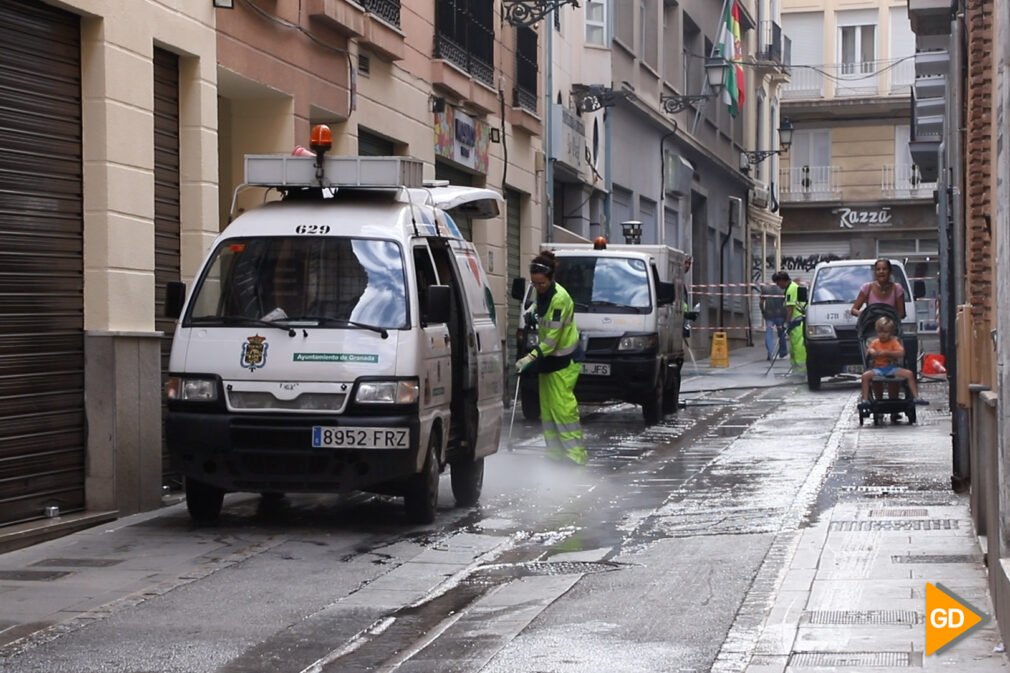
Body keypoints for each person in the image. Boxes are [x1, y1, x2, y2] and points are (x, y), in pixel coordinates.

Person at [515, 251, 586, 465]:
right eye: (535, 284)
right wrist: (533, 311)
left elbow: (551, 341)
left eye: (542, 284)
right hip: (550, 360)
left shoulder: (559, 299)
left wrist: (530, 357)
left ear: (551, 278)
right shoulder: (543, 294)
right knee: (547, 412)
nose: (538, 287)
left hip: (564, 361)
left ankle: (575, 457)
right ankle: (555, 454)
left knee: (563, 411)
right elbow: (541, 310)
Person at [858, 316, 929, 410]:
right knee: (865, 376)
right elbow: (869, 350)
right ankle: (865, 399)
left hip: (892, 368)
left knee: (909, 374)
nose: (882, 335)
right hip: (878, 368)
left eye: (885, 332)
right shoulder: (875, 342)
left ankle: (916, 396)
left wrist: (887, 353)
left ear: (891, 333)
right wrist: (872, 352)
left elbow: (901, 352)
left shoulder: (894, 342)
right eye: (880, 332)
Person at [774, 271, 807, 374]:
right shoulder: (791, 287)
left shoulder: (791, 289)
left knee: (798, 347)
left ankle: (801, 370)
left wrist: (786, 323)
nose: (778, 286)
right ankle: (795, 369)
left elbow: (790, 308)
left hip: (797, 322)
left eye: (778, 283)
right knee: (793, 347)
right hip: (795, 322)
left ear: (782, 280)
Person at [761, 272, 789, 360]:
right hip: (781, 314)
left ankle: (770, 352)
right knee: (781, 334)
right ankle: (783, 352)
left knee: (769, 332)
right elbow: (787, 303)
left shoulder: (766, 288)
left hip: (769, 314)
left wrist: (763, 311)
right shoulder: (783, 289)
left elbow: (761, 302)